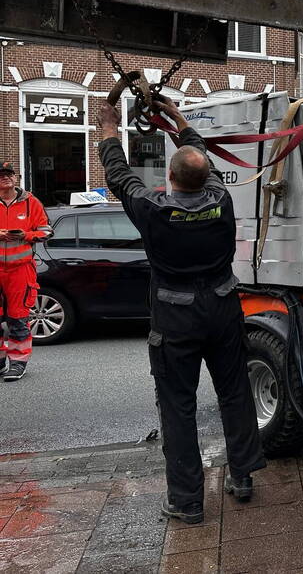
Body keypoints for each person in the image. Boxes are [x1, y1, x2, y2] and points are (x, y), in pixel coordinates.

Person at [96, 99, 265, 525]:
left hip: (176, 316)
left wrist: (109, 128)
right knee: (235, 392)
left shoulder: (152, 209)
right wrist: (178, 118)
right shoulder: (222, 199)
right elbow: (200, 155)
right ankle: (243, 476)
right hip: (223, 307)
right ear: (206, 177)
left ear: (169, 178)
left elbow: (119, 175)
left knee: (178, 406)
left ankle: (188, 501)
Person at [0, 163, 51, 382]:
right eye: (1, 175)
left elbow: (47, 232)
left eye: (8, 174)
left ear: (16, 177)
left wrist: (25, 235)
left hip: (20, 271)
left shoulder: (31, 202)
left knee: (18, 318)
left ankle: (18, 362)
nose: (5, 178)